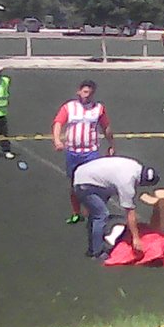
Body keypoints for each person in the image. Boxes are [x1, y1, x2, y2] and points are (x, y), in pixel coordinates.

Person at [52, 80, 116, 225]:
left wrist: (111, 144)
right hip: (73, 152)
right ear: (79, 92)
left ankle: (91, 210)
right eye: (85, 92)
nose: (87, 95)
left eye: (90, 93)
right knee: (75, 184)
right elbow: (58, 123)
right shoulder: (69, 107)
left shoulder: (98, 108)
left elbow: (106, 127)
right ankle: (76, 212)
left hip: (90, 152)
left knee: (92, 183)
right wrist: (57, 140)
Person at [72, 156, 160, 260]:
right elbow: (130, 212)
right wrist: (136, 238)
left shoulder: (134, 165)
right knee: (101, 215)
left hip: (83, 174)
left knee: (96, 212)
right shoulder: (127, 183)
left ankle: (93, 243)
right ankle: (97, 252)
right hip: (86, 183)